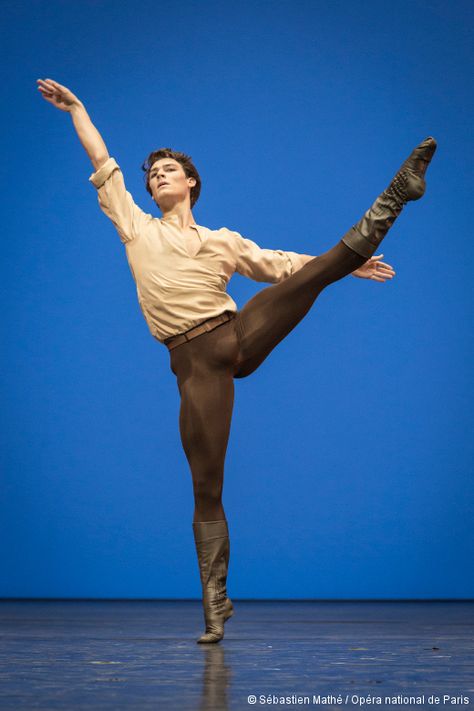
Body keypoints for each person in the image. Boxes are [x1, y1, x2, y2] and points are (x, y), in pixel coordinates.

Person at [36, 77, 437, 644]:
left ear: (191, 183)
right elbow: (103, 159)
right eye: (152, 175)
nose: (156, 177)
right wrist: (77, 108)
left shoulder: (223, 240)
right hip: (196, 366)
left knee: (313, 276)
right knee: (207, 486)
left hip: (238, 335)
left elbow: (283, 264)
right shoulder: (135, 227)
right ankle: (215, 605)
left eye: (167, 170)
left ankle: (395, 196)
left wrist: (346, 266)